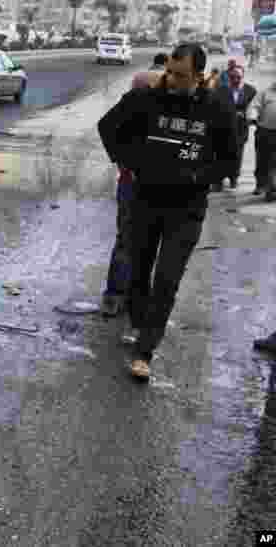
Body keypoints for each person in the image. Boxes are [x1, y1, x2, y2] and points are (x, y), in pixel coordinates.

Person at [98, 43, 239, 381]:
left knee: (167, 279)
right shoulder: (146, 99)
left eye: (182, 76)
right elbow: (108, 128)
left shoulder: (217, 109)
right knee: (138, 272)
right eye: (170, 72)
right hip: (145, 200)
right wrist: (130, 161)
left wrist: (197, 176)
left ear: (199, 76)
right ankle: (137, 321)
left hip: (186, 209)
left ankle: (145, 351)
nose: (172, 80)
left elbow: (229, 159)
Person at [100, 59, 166, 320]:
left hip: (152, 184)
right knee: (130, 239)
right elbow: (107, 127)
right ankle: (119, 295)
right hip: (135, 184)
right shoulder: (135, 105)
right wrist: (123, 162)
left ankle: (129, 296)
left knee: (139, 241)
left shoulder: (161, 109)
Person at [212, 64, 255, 191]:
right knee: (221, 155)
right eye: (232, 77)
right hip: (223, 129)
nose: (235, 79)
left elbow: (254, 109)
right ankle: (218, 180)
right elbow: (215, 108)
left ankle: (233, 178)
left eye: (238, 77)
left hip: (240, 130)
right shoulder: (221, 90)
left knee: (237, 155)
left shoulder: (250, 91)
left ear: (243, 76)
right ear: (229, 77)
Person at [247, 73, 276, 199]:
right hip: (265, 131)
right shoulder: (265, 93)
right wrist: (252, 117)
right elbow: (254, 106)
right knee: (263, 160)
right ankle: (260, 185)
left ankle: (272, 188)